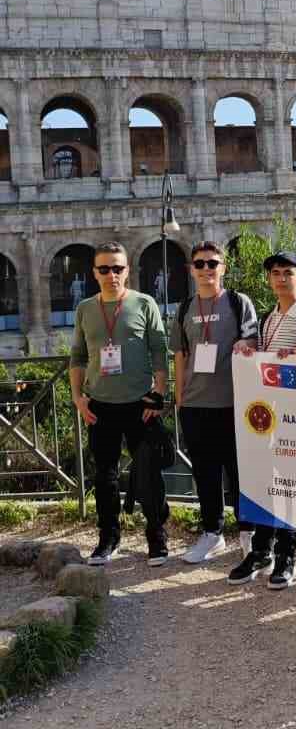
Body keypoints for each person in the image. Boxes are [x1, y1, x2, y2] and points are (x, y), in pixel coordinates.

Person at [69, 241, 170, 564]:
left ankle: (157, 538)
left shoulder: (144, 303)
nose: (112, 274)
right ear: (94, 273)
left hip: (140, 403)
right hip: (100, 403)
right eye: (105, 269)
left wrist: (159, 392)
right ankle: (108, 538)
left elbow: (159, 349)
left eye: (118, 268)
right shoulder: (85, 308)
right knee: (105, 477)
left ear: (127, 270)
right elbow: (78, 356)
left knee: (149, 475)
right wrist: (77, 398)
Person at [229, 250, 296, 587]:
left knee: (290, 485)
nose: (281, 278)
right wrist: (249, 346)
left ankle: (286, 554)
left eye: (287, 272)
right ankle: (261, 550)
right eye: (275, 273)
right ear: (269, 279)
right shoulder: (267, 317)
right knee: (265, 482)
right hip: (267, 416)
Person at [170, 241, 258, 567]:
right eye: (200, 264)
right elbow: (180, 354)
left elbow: (252, 337)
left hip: (234, 402)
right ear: (191, 270)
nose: (207, 269)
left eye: (213, 263)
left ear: (223, 267)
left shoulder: (238, 302)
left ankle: (247, 532)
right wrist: (179, 397)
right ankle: (212, 533)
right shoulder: (184, 309)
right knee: (205, 473)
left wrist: (246, 344)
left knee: (239, 472)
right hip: (195, 404)